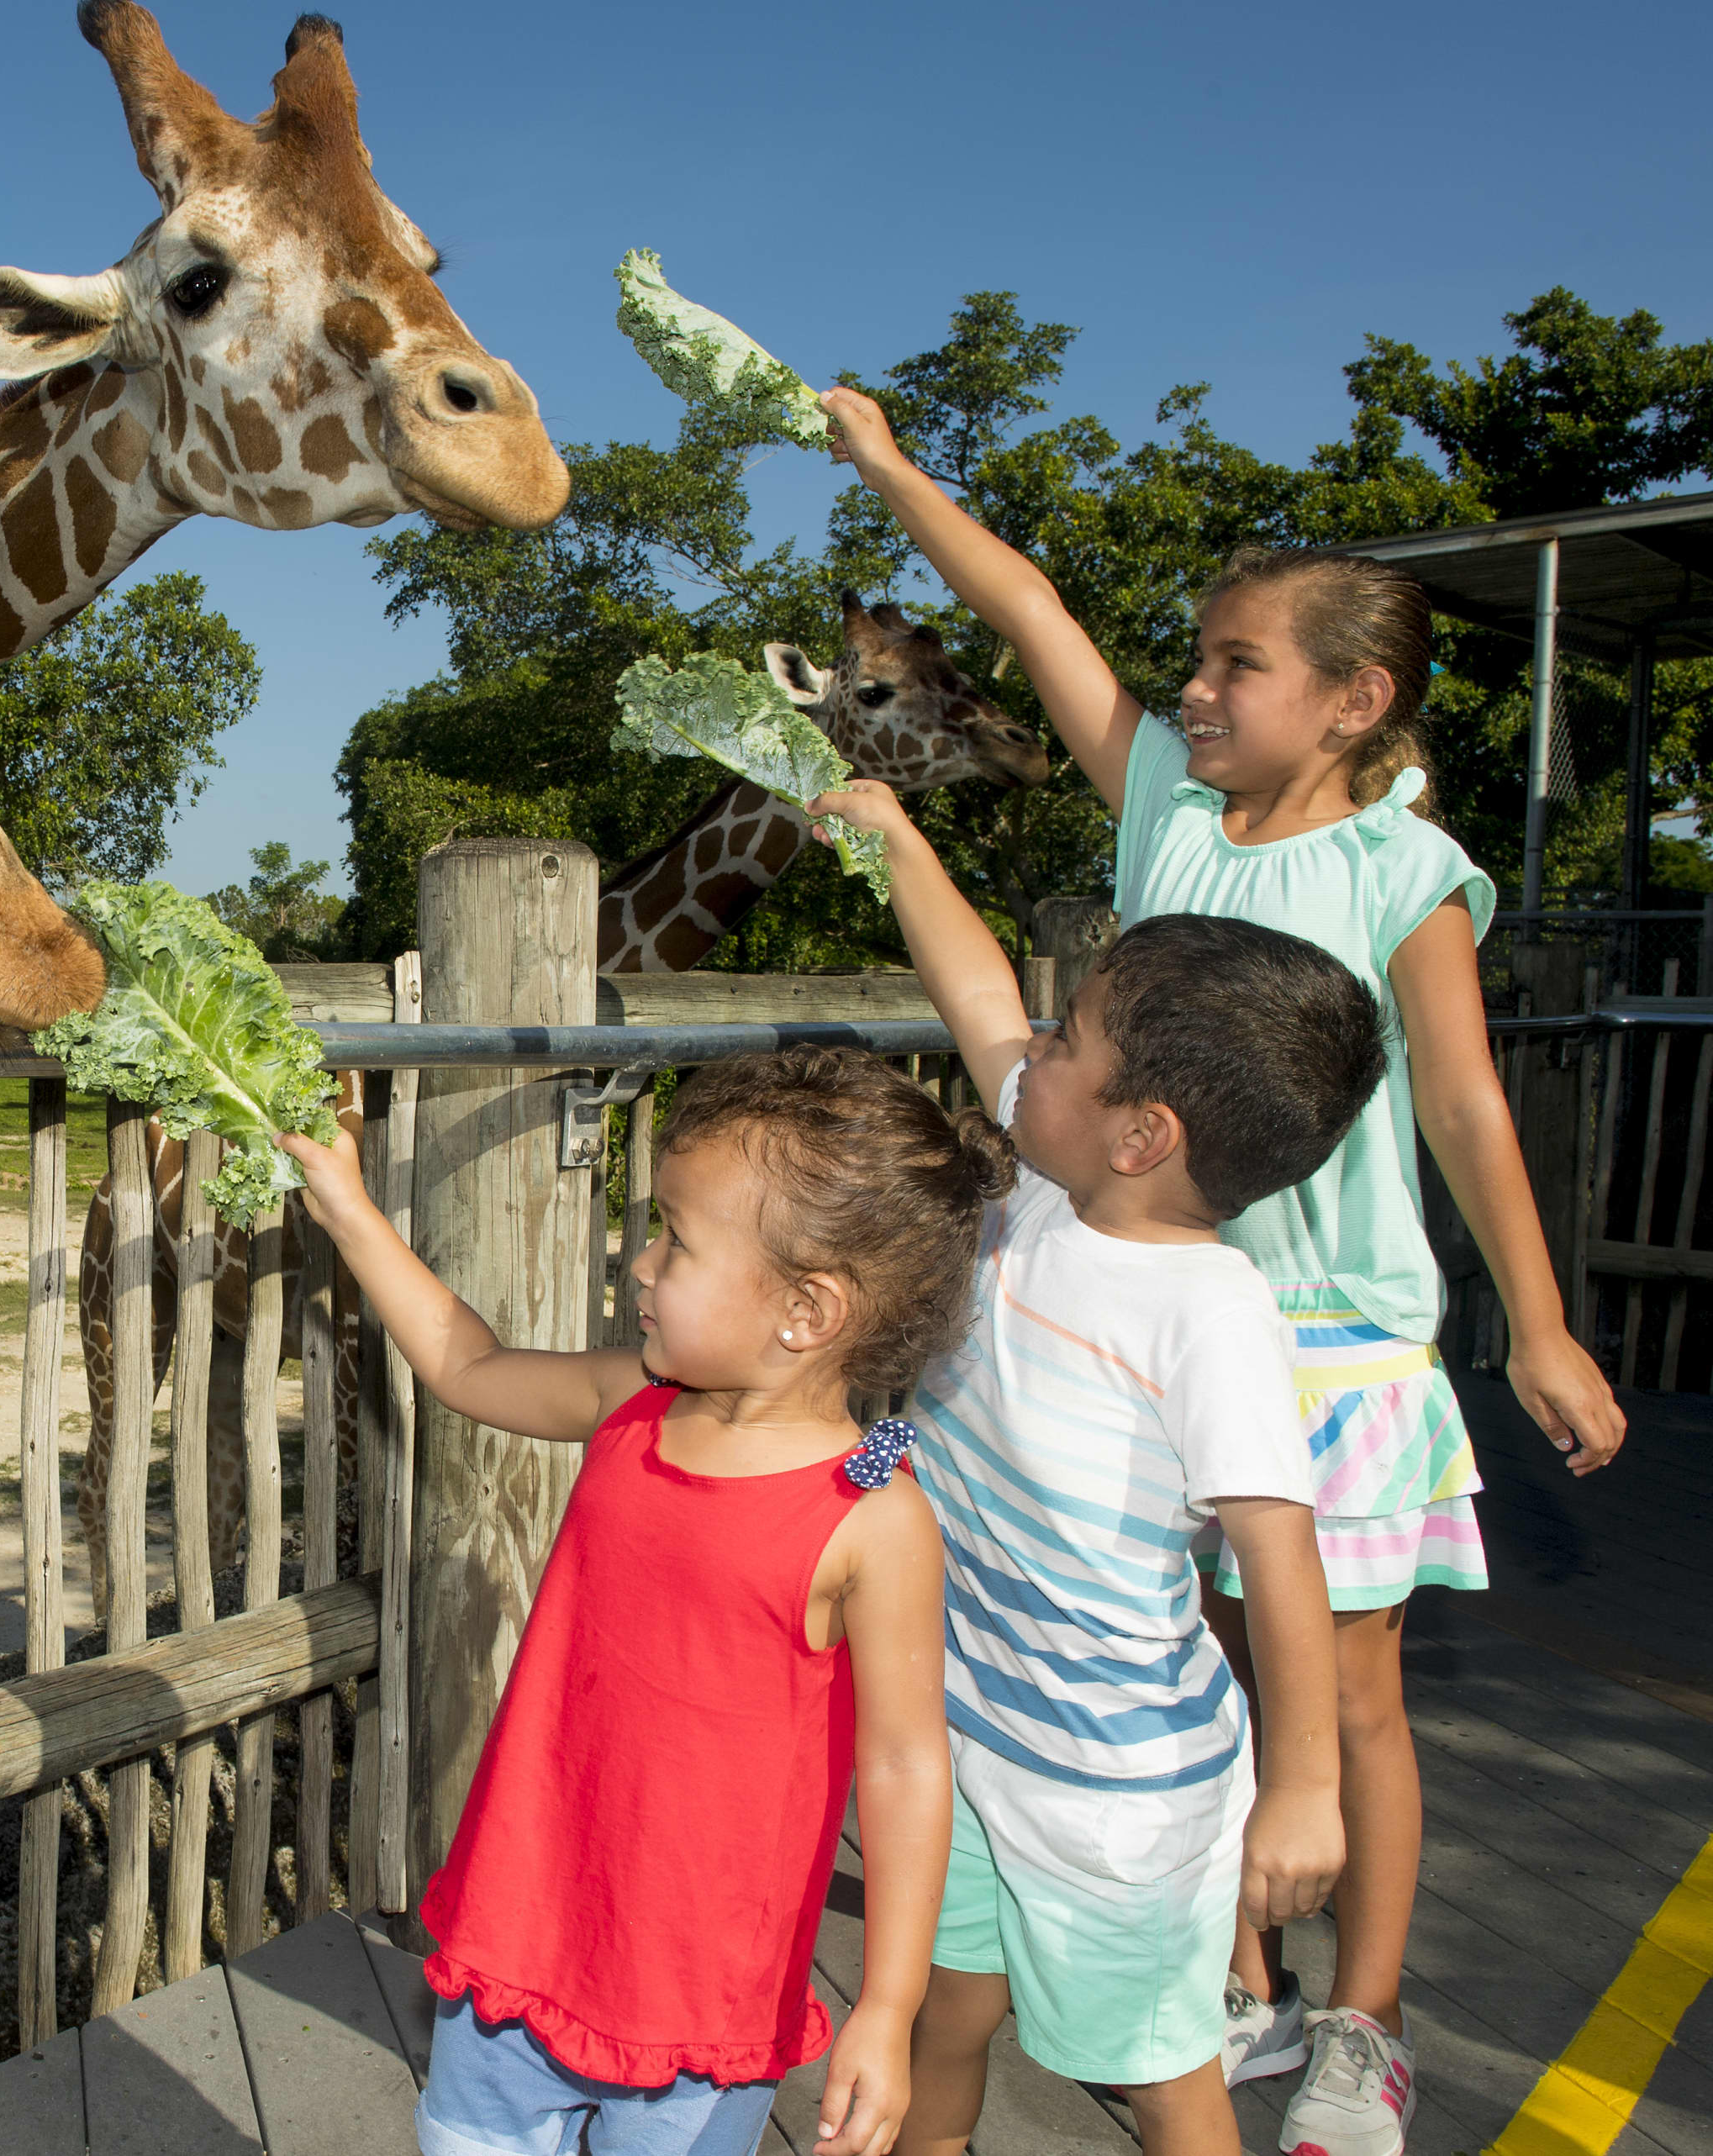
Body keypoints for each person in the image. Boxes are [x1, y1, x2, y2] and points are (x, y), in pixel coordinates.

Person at [825, 382, 1628, 2156]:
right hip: (1142, 1309)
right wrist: (886, 470)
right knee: (1168, 1647)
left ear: (1355, 700)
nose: (1194, 687)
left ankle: (1367, 2015)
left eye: (1236, 662)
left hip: (1329, 1338)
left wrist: (1544, 1320)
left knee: (1337, 1699)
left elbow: (1469, 1100)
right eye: (1195, 656)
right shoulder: (1167, 814)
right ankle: (1228, 1971)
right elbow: (1031, 610)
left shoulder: (1406, 866)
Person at [279, 1046, 982, 2156]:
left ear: (807, 1308)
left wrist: (888, 2009)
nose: (641, 1262)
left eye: (675, 1239)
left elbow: (906, 1766)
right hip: (524, 1931)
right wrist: (350, 1207)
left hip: (701, 2002)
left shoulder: (875, 1519)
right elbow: (467, 1363)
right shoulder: (633, 1402)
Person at [811, 780, 1375, 2156]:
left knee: (1157, 2068)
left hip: (1115, 1787)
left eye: (1069, 1039)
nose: (1030, 1053)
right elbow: (975, 992)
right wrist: (898, 840)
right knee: (947, 2006)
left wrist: (1306, 1788)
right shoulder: (1054, 1180)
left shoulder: (1211, 1313)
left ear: (1144, 1135)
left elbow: (1282, 1552)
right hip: (964, 1721)